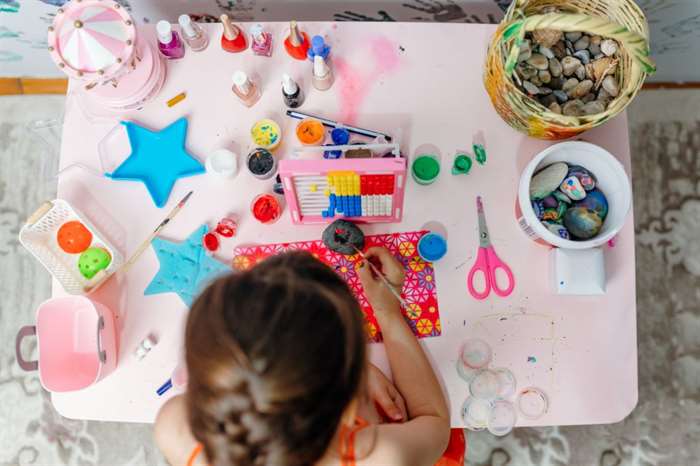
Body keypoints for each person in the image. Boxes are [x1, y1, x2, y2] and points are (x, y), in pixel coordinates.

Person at [154, 247, 453, 466]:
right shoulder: (379, 456)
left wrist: (338, 366)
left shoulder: (174, 427)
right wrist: (387, 313)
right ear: (352, 407)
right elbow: (435, 424)